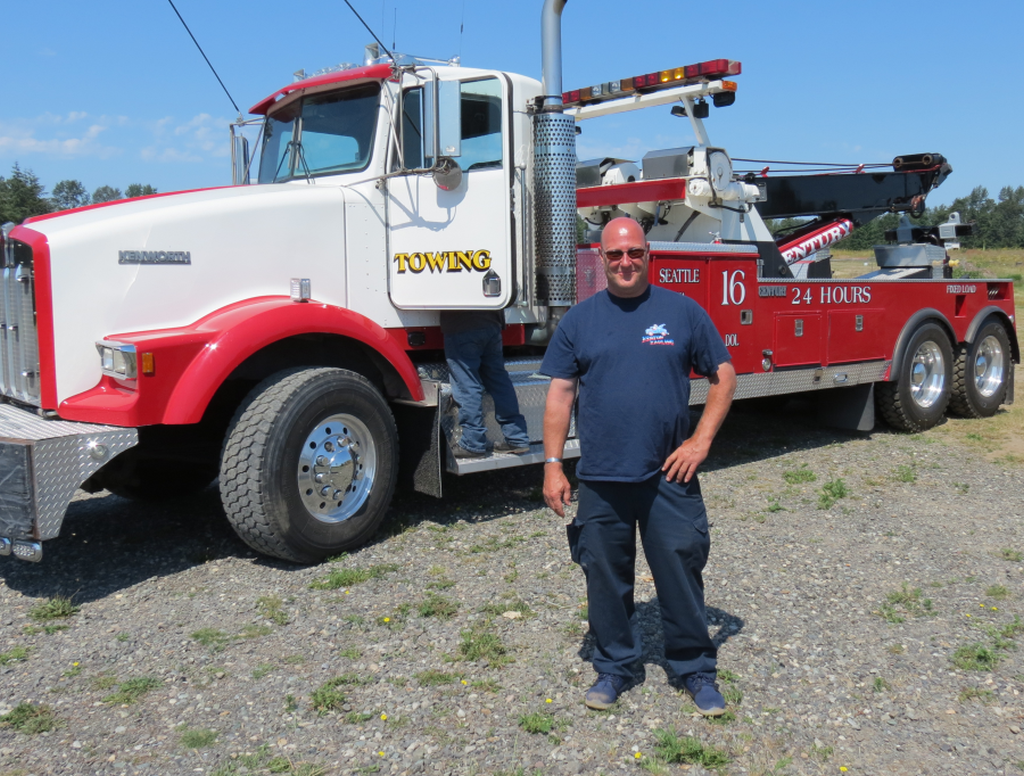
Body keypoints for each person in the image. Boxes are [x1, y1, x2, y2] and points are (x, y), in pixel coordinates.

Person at [540, 217, 737, 714]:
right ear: (600, 258)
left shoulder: (682, 312)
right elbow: (560, 395)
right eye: (615, 255)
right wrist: (551, 465)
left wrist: (700, 441)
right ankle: (615, 666)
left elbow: (724, 374)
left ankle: (694, 668)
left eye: (634, 253)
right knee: (604, 576)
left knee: (680, 569)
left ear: (649, 253)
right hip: (602, 476)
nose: (625, 262)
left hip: (669, 475)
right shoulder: (579, 321)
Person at [441, 309, 531, 458]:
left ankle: (472, 442)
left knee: (467, 385)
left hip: (460, 323)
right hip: (492, 322)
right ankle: (517, 437)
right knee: (499, 380)